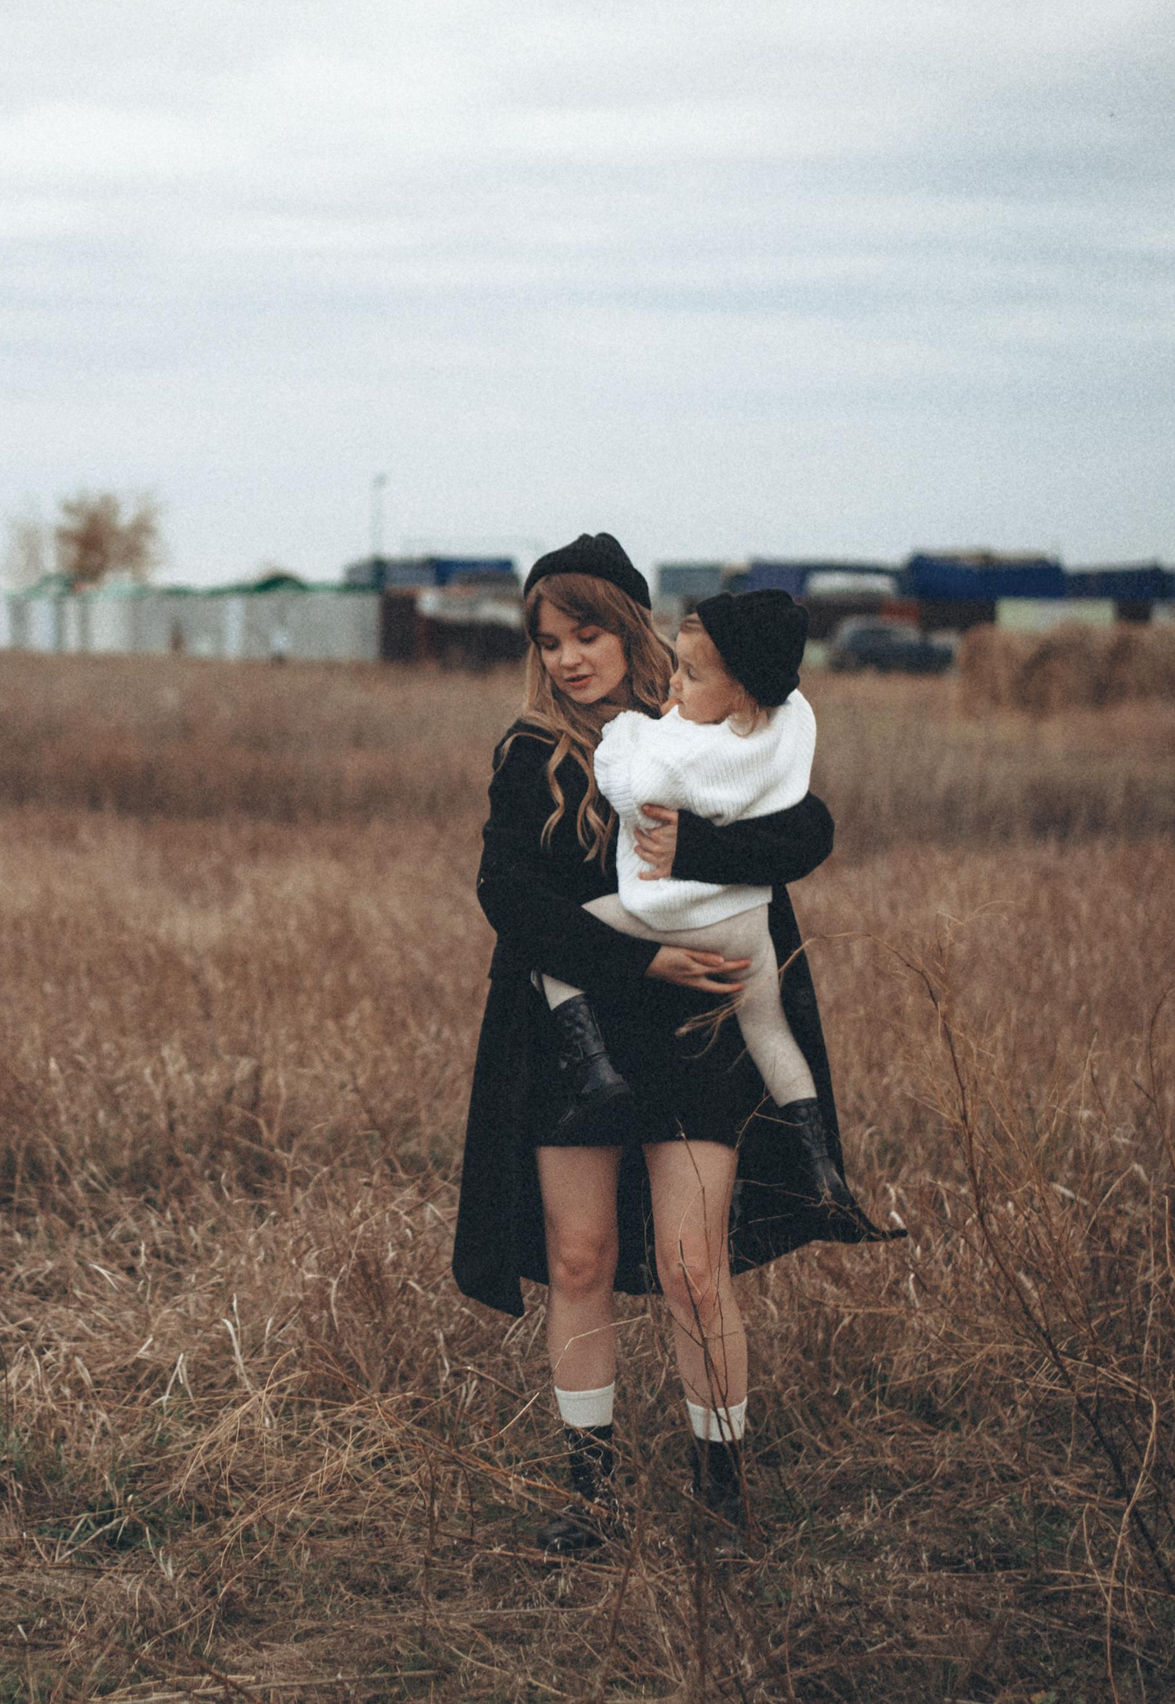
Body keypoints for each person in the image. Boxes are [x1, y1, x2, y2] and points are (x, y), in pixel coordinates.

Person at [452, 534, 898, 1560]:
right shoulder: (530, 753)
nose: (568, 657)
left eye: (589, 631)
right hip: (578, 1038)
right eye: (548, 640)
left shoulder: (707, 722)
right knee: (579, 1257)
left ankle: (721, 1500)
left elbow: (805, 834)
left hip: (701, 1035)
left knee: (696, 1270)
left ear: (631, 624)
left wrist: (693, 850)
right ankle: (591, 1494)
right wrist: (639, 965)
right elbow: (506, 899)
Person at [538, 589, 857, 1210]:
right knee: (770, 1030)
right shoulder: (782, 727)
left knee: (565, 944)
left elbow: (635, 788)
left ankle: (594, 1070)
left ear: (737, 689)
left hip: (681, 917)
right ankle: (819, 1169)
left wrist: (629, 731)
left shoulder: (686, 748)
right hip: (748, 926)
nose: (677, 685)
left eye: (690, 673)